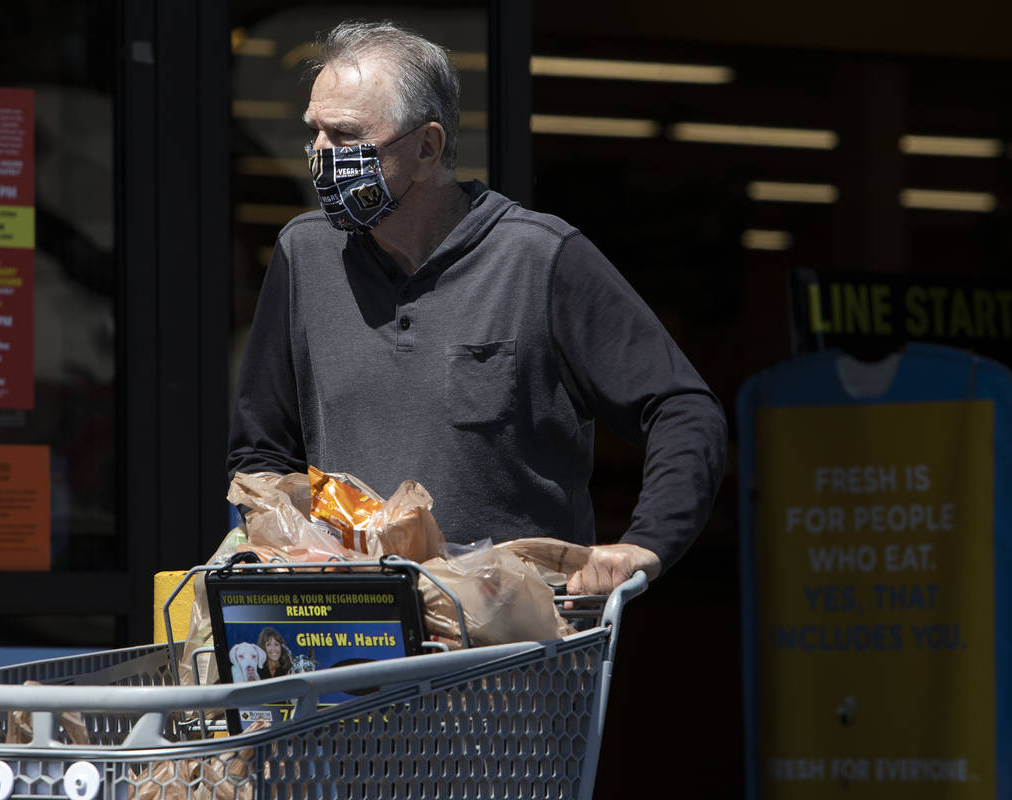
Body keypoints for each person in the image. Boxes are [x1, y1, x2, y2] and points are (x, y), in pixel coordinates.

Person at [227, 20, 727, 596]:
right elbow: (263, 450)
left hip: (509, 656)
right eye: (313, 132)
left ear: (427, 147)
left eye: (344, 136)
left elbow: (683, 408)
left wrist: (647, 543)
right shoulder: (304, 255)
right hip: (357, 644)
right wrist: (274, 540)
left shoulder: (539, 258)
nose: (320, 155)